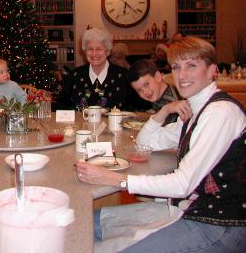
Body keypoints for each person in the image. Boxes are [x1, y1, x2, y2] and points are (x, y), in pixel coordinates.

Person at [76, 37, 246, 252]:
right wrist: (165, 110)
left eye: (191, 66)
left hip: (220, 224)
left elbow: (182, 184)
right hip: (186, 208)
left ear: (212, 70)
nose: (182, 76)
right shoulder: (195, 111)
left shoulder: (220, 113)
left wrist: (114, 179)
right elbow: (146, 143)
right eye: (176, 67)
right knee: (86, 222)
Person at [57, 28, 130, 110]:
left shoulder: (123, 76)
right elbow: (61, 105)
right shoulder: (74, 76)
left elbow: (134, 109)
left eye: (99, 49)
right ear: (85, 51)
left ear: (108, 51)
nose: (94, 53)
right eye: (90, 49)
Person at [128, 59, 185, 125]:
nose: (145, 92)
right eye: (139, 90)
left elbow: (163, 129)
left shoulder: (170, 102)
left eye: (146, 84)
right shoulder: (159, 93)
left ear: (157, 77)